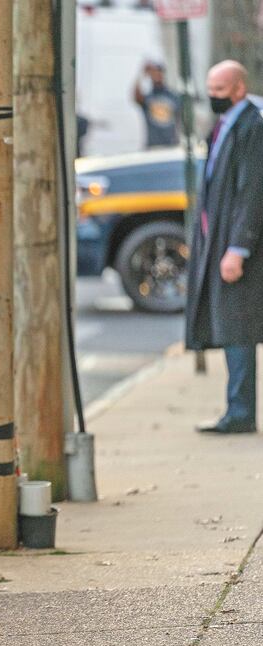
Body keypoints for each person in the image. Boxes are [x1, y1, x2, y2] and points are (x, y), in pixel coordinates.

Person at [186, 60, 263, 435]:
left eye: (219, 90)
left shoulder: (252, 126)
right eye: (210, 89)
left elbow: (252, 192)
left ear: (238, 88)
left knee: (238, 328)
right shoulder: (225, 124)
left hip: (239, 248)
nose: (213, 96)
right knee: (232, 326)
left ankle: (241, 412)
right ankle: (237, 409)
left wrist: (238, 248)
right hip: (220, 241)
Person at [133, 61, 180, 148]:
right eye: (154, 73)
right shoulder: (148, 97)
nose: (157, 76)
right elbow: (136, 96)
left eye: (159, 73)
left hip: (171, 145)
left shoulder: (172, 96)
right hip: (153, 146)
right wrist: (142, 75)